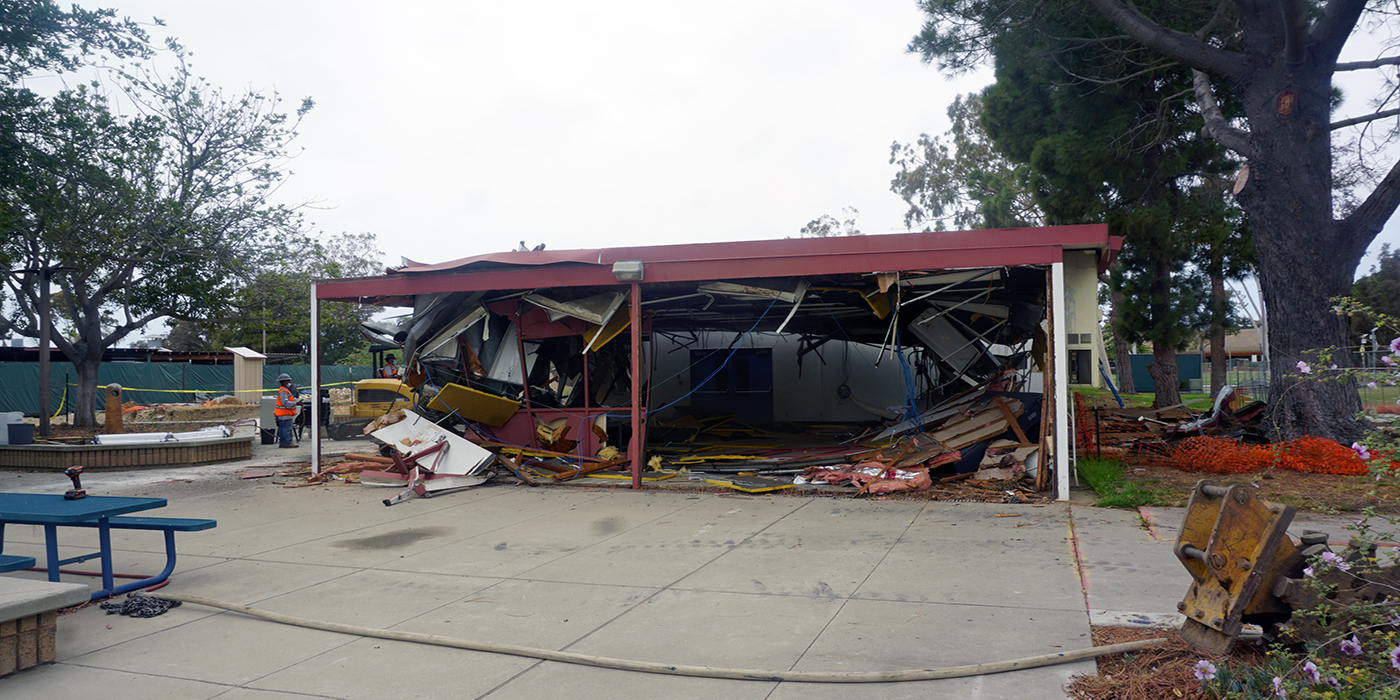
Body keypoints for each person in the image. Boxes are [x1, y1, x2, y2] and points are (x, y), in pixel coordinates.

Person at [274, 373, 298, 448]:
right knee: (287, 429)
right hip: (285, 414)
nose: (289, 383)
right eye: (287, 381)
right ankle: (287, 442)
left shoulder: (284, 390)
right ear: (283, 382)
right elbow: (285, 403)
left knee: (282, 429)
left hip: (282, 414)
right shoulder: (284, 391)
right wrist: (296, 403)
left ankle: (283, 443)